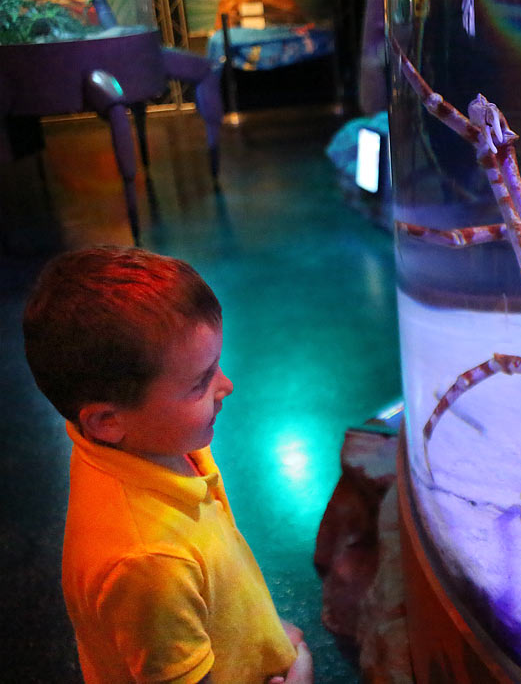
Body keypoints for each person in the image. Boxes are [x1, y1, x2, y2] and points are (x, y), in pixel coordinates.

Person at [22, 246, 312, 683]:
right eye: (200, 382)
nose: (226, 386)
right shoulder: (147, 562)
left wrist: (261, 632)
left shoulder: (152, 446)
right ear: (107, 420)